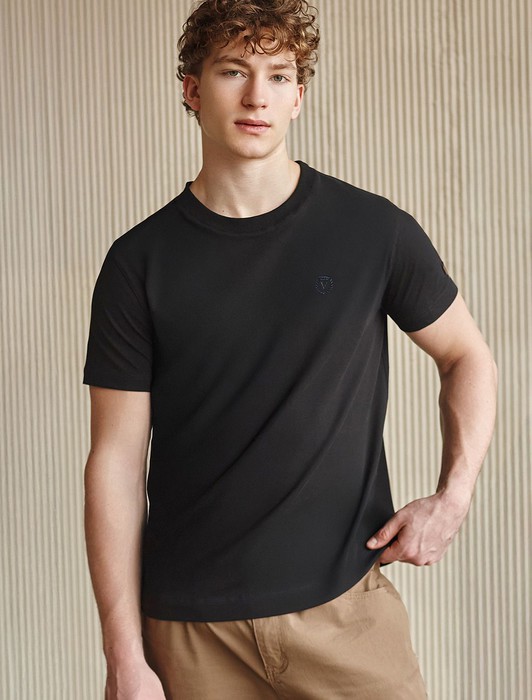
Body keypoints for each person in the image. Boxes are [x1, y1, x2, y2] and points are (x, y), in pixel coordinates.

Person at [82, 1, 498, 698]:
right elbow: (116, 463)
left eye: (278, 75)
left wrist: (453, 498)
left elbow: (467, 356)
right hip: (192, 634)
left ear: (298, 96)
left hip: (345, 615)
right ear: (192, 89)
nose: (257, 96)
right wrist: (124, 658)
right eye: (233, 71)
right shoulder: (138, 264)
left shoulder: (373, 231)